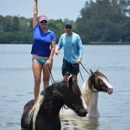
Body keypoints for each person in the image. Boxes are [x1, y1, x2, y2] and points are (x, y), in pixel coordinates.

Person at [31, 0, 56, 104]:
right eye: (42, 21)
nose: (43, 23)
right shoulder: (36, 28)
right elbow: (35, 13)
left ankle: (46, 100)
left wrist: (50, 59)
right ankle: (36, 101)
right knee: (37, 80)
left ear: (47, 22)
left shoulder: (51, 34)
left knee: (46, 81)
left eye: (45, 21)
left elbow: (53, 48)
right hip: (36, 59)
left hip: (47, 60)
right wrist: (36, 1)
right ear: (39, 22)